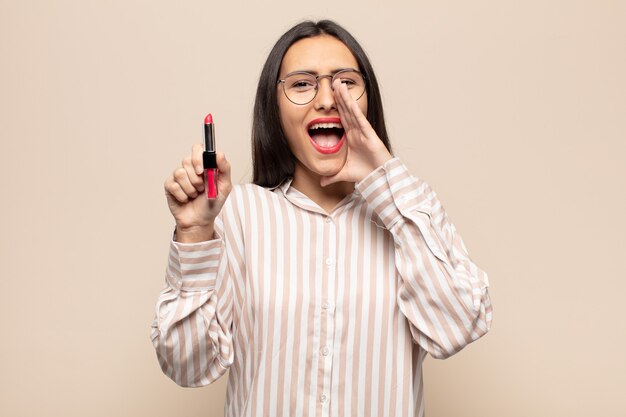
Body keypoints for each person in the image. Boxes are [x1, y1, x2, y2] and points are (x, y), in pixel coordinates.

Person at [151, 19, 493, 417]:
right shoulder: (240, 215)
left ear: (369, 102)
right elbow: (187, 367)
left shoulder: (408, 210)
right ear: (274, 109)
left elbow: (458, 327)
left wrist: (385, 177)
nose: (328, 99)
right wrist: (194, 233)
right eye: (302, 84)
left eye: (346, 82)